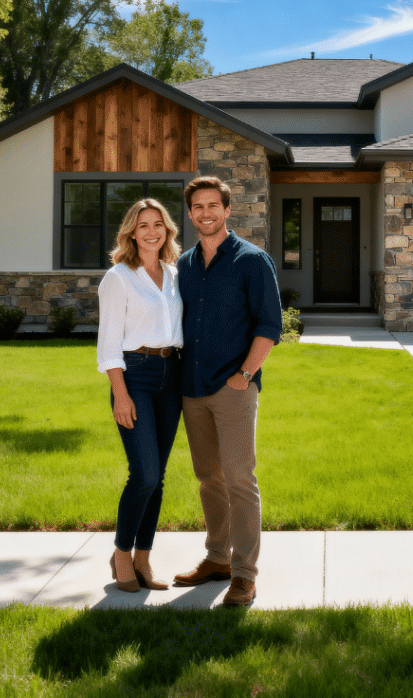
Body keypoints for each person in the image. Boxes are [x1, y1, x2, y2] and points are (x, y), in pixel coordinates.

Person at [173, 176, 283, 607]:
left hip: (233, 387)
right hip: (192, 388)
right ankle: (217, 558)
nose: (205, 213)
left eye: (212, 206)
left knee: (239, 478)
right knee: (208, 478)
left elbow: (269, 326)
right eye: (197, 207)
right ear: (191, 212)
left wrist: (245, 374)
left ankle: (244, 574)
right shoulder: (182, 264)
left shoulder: (252, 261)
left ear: (226, 209)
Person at [96, 197, 184, 592]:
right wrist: (121, 393)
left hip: (172, 374)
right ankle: (120, 554)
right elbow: (108, 344)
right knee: (144, 474)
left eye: (158, 225)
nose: (152, 232)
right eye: (143, 225)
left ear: (167, 230)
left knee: (159, 477)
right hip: (136, 376)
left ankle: (144, 559)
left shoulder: (173, 273)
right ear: (131, 231)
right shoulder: (118, 277)